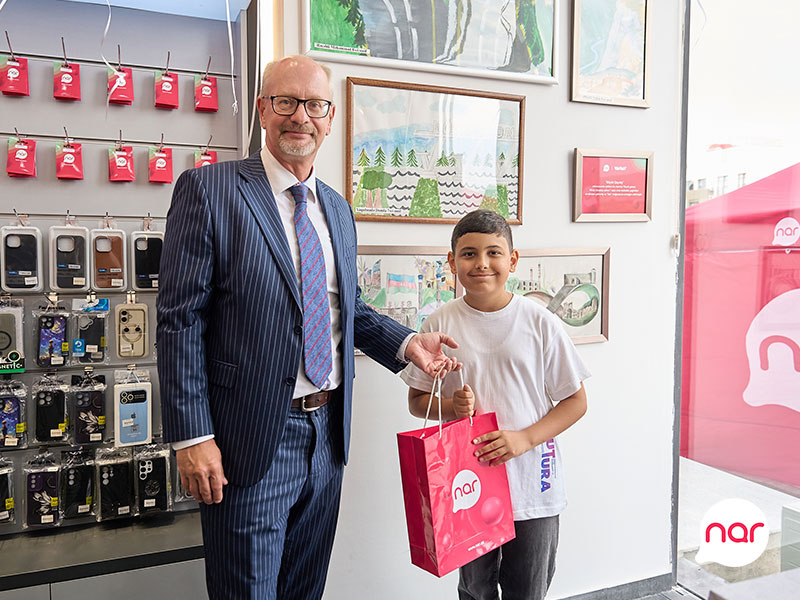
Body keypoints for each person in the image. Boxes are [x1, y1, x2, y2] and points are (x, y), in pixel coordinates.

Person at [156, 55, 458, 600]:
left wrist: (409, 343)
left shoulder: (337, 210)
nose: (301, 116)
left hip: (327, 437)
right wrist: (192, 437)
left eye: (315, 105)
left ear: (330, 116)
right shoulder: (209, 190)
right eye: (286, 102)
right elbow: (180, 322)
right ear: (262, 110)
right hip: (246, 441)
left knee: (304, 590)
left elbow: (348, 309)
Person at [400, 209, 590, 600]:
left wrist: (524, 439)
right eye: (469, 254)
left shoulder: (540, 322)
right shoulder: (438, 324)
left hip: (532, 486)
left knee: (528, 589)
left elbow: (575, 401)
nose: (482, 263)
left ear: (512, 260)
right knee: (475, 590)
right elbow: (417, 402)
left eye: (494, 253)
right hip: (466, 485)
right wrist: (452, 407)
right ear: (451, 261)